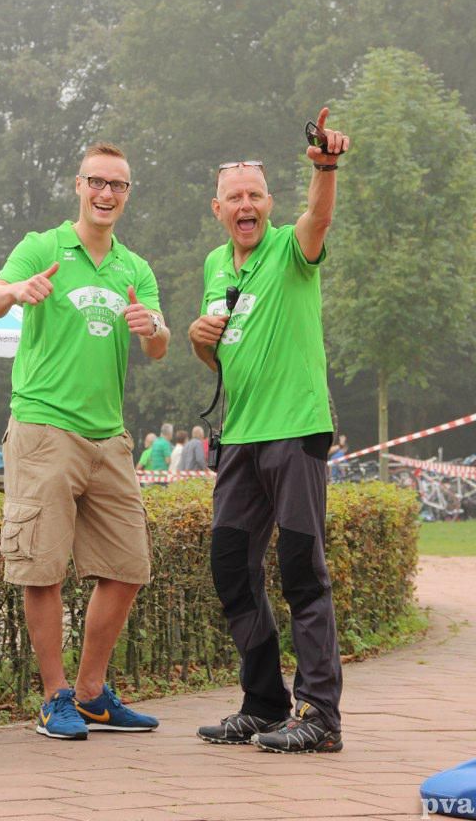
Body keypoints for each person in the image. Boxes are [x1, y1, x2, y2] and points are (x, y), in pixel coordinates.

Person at [0, 141, 170, 741]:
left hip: (109, 437)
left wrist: (152, 327)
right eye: (97, 182)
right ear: (78, 186)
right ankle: (54, 697)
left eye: (118, 185)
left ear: (127, 194)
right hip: (44, 428)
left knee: (129, 566)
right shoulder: (43, 246)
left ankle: (90, 695)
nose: (106, 194)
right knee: (43, 569)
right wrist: (17, 291)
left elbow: (158, 345)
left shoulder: (134, 268)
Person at [188, 107, 349, 754]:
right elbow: (221, 354)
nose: (246, 205)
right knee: (231, 566)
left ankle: (320, 715)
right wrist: (199, 340)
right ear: (218, 209)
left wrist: (326, 167)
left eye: (255, 195)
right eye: (235, 198)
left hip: (296, 430)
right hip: (240, 438)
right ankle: (263, 703)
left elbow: (319, 219)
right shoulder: (214, 265)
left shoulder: (290, 248)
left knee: (301, 570)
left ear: (269, 203)